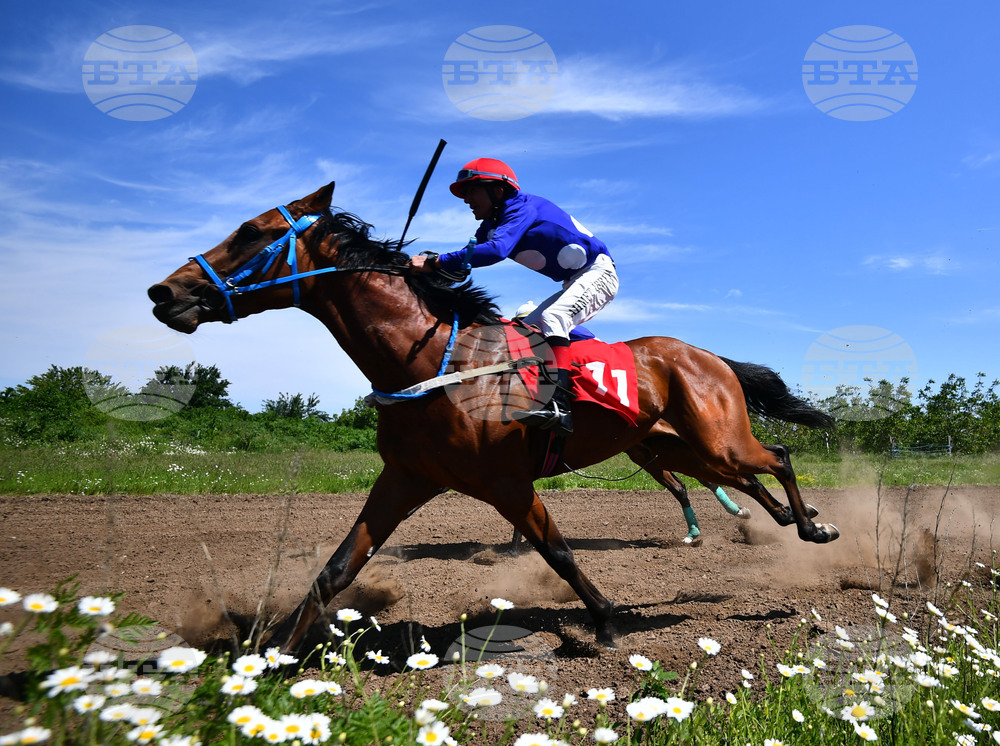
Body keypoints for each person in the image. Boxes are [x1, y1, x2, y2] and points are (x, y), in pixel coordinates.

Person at [409, 157, 619, 436]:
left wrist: (436, 262)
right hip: (574, 281)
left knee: (553, 316)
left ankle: (560, 404)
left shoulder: (521, 208)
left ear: (498, 190)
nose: (466, 200)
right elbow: (465, 262)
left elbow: (496, 251)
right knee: (525, 332)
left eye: (472, 190)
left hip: (599, 272)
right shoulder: (491, 225)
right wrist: (421, 270)